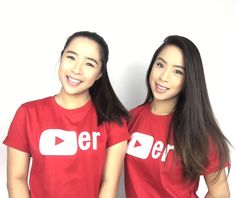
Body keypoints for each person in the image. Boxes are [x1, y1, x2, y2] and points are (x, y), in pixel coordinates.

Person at [3, 31, 130, 198]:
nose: (77, 69)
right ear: (61, 58)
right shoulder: (28, 113)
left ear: (99, 73)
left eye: (89, 64)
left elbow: (109, 183)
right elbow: (16, 178)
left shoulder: (113, 120)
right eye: (71, 57)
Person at [125, 35, 230, 198]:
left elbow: (220, 194)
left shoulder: (199, 131)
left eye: (177, 72)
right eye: (160, 65)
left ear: (189, 80)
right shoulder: (131, 118)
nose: (163, 77)